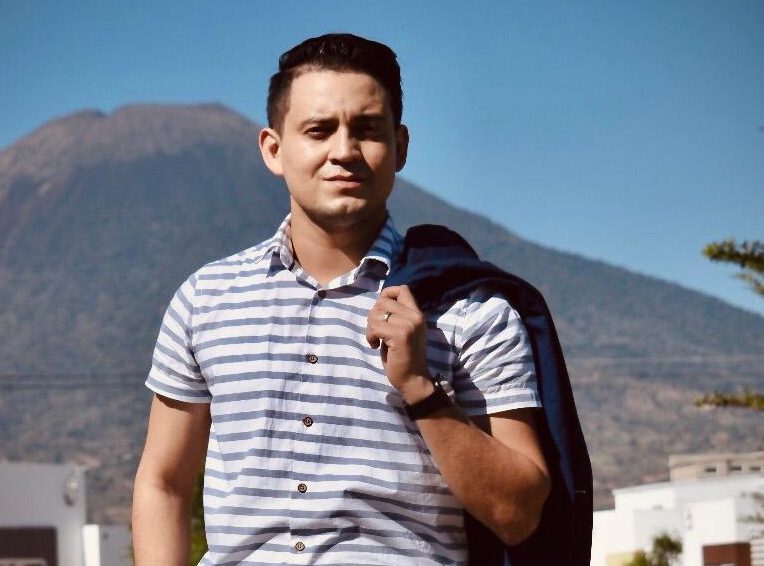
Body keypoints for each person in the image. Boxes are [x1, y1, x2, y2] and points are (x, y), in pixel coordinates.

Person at [132, 33, 550, 565]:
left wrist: (420, 388)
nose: (345, 152)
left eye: (367, 130)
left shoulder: (471, 310)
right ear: (274, 149)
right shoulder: (205, 299)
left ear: (400, 146)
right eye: (319, 130)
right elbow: (163, 483)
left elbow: (518, 514)